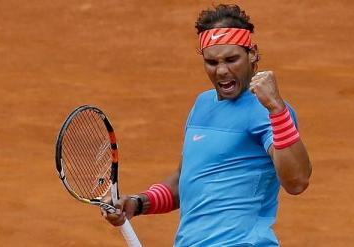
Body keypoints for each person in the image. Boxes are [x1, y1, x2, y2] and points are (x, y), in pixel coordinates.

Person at [102, 4, 312, 246]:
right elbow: (186, 180)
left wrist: (277, 110)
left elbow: (297, 182)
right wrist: (137, 203)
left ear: (252, 53)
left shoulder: (266, 110)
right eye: (212, 62)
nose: (222, 71)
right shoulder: (202, 105)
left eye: (232, 59)